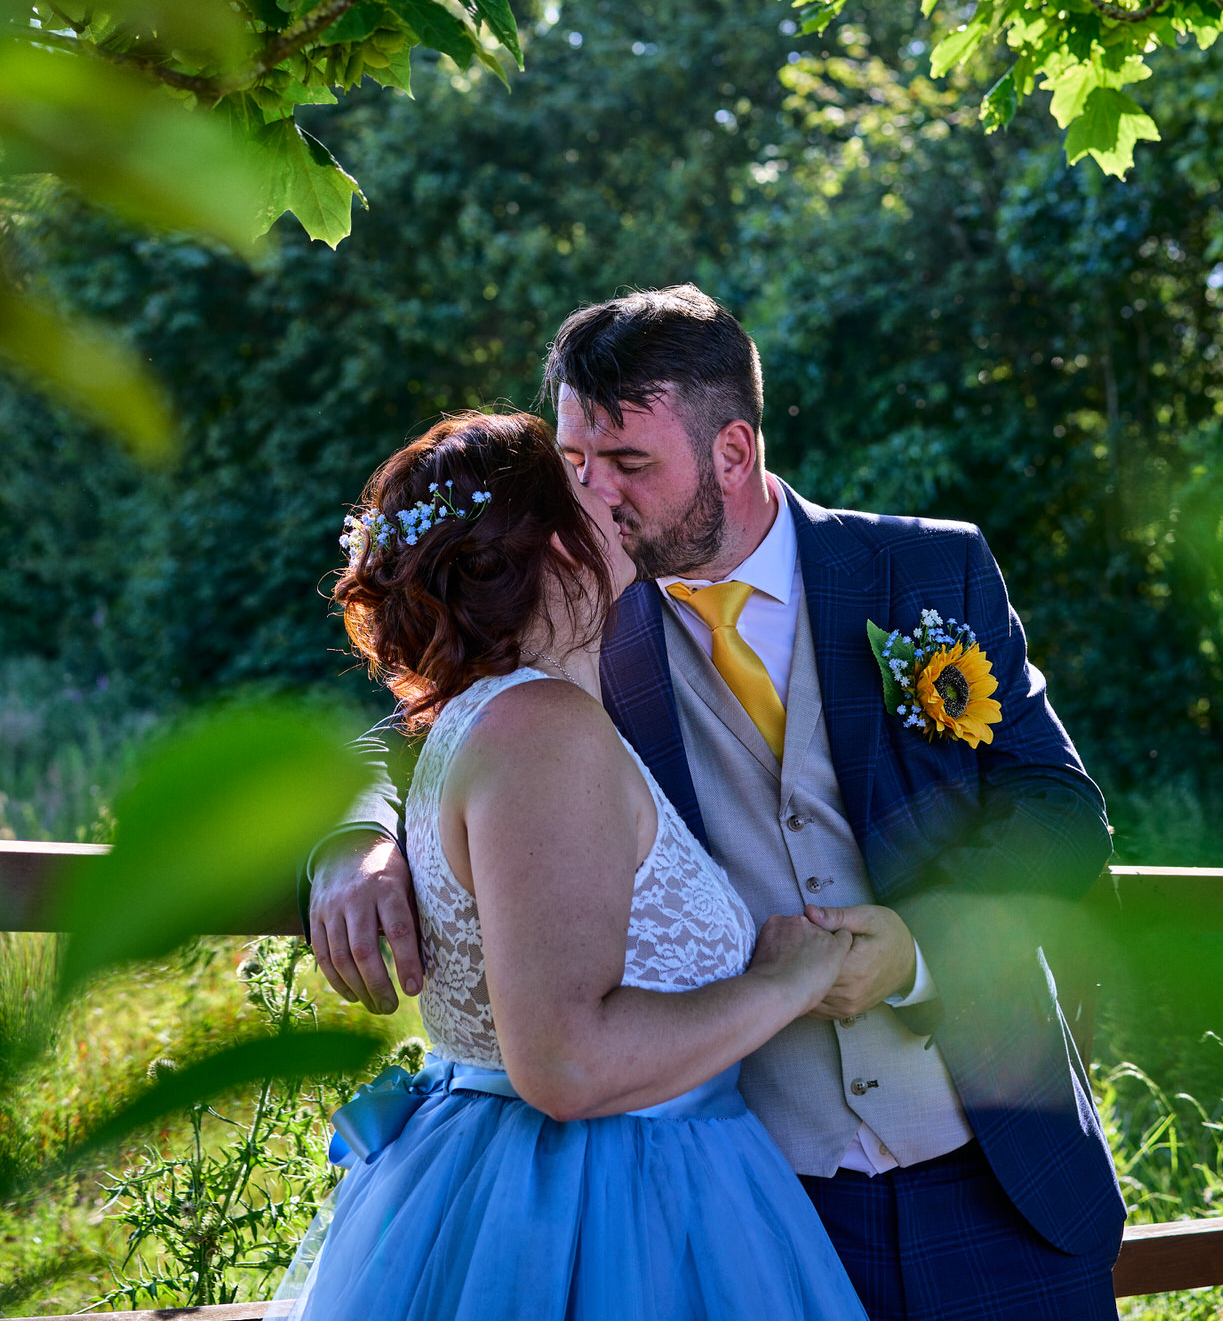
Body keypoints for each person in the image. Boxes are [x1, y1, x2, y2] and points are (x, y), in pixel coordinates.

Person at [309, 287, 1126, 1321]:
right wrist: (357, 837)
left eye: (629, 463)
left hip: (998, 1170)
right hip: (767, 1204)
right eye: (574, 461)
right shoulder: (579, 606)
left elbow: (1057, 810)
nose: (595, 495)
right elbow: (427, 719)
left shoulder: (924, 567)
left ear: (731, 451)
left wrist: (917, 946)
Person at [289, 405, 870, 1321]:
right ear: (557, 548)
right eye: (581, 478)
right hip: (603, 1210)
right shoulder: (542, 731)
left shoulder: (500, 714)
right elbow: (564, 1062)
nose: (610, 486)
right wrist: (787, 983)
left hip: (549, 1181)